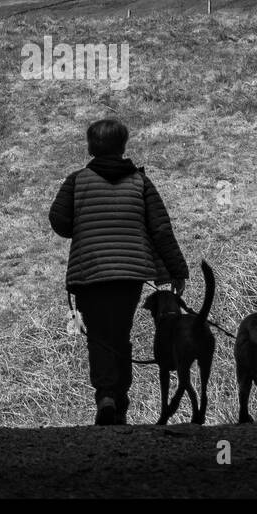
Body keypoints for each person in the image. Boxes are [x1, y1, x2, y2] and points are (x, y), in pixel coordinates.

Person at [48, 118, 189, 425]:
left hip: (90, 272)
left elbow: (58, 222)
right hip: (129, 275)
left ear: (90, 147)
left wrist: (85, 224)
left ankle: (106, 397)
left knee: (98, 336)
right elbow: (161, 229)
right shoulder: (140, 183)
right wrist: (177, 270)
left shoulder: (76, 181)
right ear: (123, 146)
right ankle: (120, 404)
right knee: (120, 334)